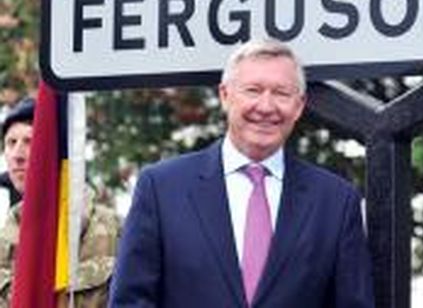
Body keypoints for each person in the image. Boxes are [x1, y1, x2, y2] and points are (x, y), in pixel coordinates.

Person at [110, 39, 375, 307]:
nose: (266, 106)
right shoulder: (161, 188)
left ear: (299, 105)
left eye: (282, 93)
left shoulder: (336, 202)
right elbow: (130, 302)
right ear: (225, 95)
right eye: (253, 90)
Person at [0, 97, 120, 307]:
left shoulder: (115, 229)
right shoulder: (3, 240)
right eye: (11, 143)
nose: (17, 155)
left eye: (30, 142)